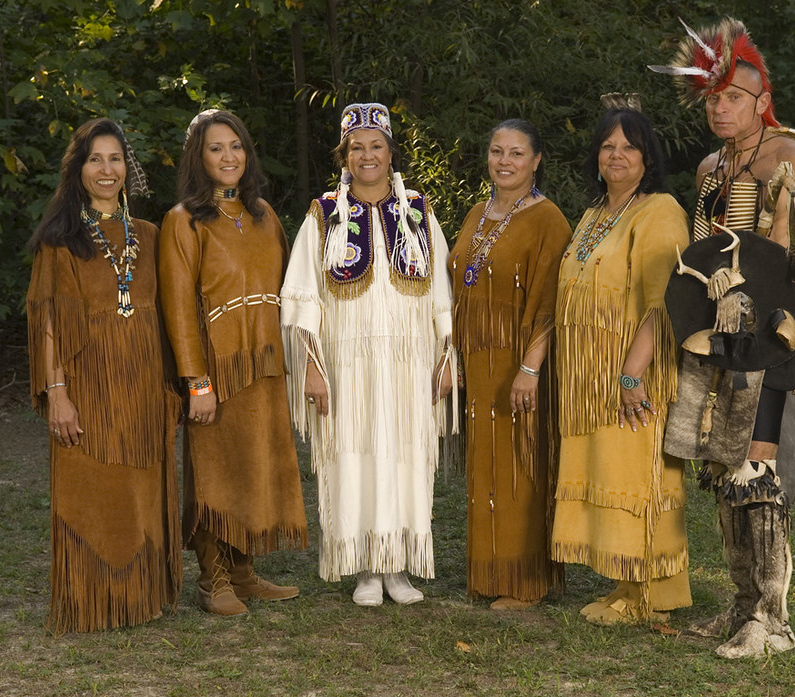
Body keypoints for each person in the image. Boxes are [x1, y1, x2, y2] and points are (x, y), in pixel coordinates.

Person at [650, 18, 795, 657]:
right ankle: (742, 606)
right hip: (720, 339)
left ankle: (773, 621)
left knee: (757, 468)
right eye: (714, 99)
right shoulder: (710, 168)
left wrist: (792, 276)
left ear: (761, 100)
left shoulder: (791, 159)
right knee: (724, 465)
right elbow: (705, 253)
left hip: (773, 339)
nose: (721, 108)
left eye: (734, 98)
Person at [280, 103, 456, 606]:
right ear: (345, 155)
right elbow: (303, 294)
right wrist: (313, 369)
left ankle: (398, 565)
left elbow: (441, 290)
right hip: (348, 365)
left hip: (408, 363)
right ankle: (364, 569)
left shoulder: (418, 211)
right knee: (353, 456)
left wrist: (445, 361)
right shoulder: (325, 214)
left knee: (405, 457)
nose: (367, 155)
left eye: (376, 145)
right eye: (357, 147)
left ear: (391, 152)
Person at [27, 118, 180, 634]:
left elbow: (167, 314)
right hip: (87, 384)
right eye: (96, 159)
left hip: (141, 383)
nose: (106, 169)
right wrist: (58, 393)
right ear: (79, 169)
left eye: (115, 159)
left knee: (140, 491)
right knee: (92, 491)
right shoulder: (60, 239)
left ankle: (141, 597)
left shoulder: (150, 235)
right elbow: (50, 321)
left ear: (127, 168)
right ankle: (93, 602)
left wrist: (170, 386)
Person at [159, 109, 308, 616]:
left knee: (255, 468)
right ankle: (212, 579)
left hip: (265, 366)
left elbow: (291, 293)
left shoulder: (264, 216)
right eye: (216, 148)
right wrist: (196, 382)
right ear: (198, 158)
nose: (229, 157)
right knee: (215, 474)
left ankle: (243, 573)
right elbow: (178, 308)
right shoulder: (182, 221)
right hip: (218, 370)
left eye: (236, 146)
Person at [550, 96, 692, 626]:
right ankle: (623, 584)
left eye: (628, 147)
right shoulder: (593, 215)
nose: (617, 155)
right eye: (608, 146)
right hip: (592, 379)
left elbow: (664, 302)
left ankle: (648, 597)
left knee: (640, 480)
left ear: (647, 158)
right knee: (612, 475)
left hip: (634, 374)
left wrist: (632, 372)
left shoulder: (661, 211)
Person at [449, 119, 572, 610]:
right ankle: (488, 573)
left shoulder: (549, 220)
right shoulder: (479, 212)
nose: (505, 161)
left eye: (516, 153)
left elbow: (550, 304)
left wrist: (531, 367)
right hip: (477, 362)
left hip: (519, 362)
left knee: (522, 466)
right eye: (497, 151)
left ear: (536, 160)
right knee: (486, 470)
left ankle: (526, 581)